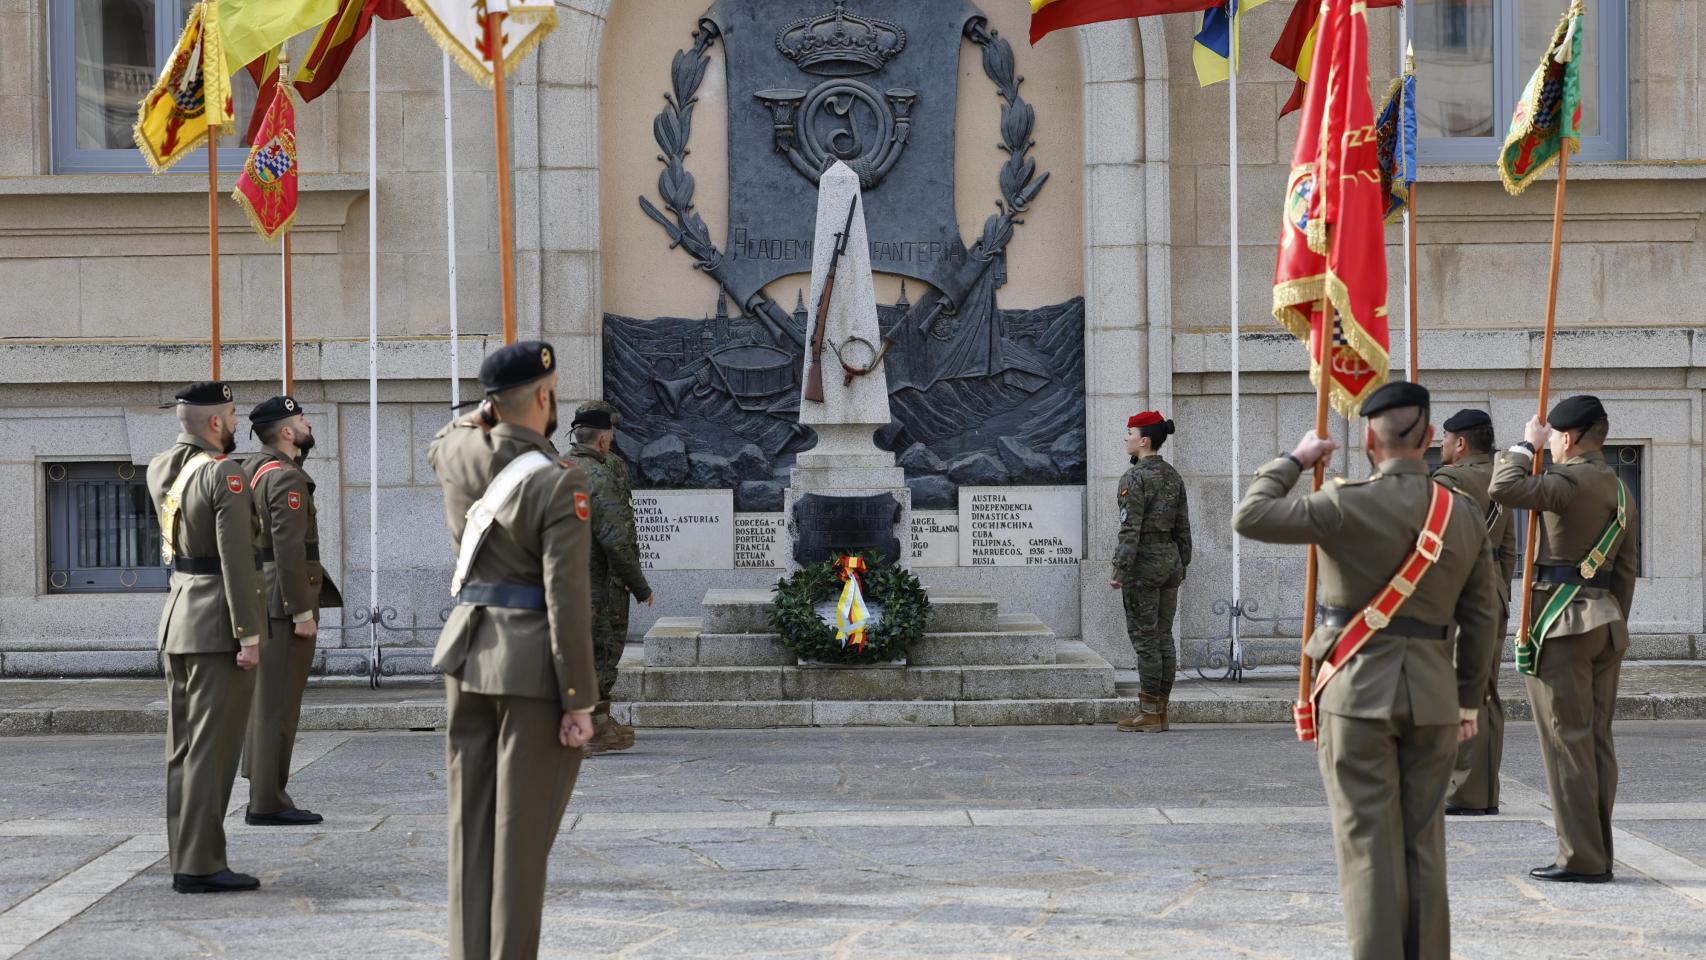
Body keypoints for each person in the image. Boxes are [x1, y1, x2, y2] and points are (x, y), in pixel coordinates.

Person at [1232, 381, 1500, 960]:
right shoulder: (1461, 513)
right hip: (1433, 698)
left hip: (1355, 695)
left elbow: (1250, 515)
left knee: (1368, 846)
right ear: (1430, 438)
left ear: (1368, 442)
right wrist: (1467, 700)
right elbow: (1483, 616)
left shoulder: (1343, 502)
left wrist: (1295, 459)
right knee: (1423, 843)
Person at [427, 340, 597, 959]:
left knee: (469, 831)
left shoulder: (457, 453)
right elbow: (566, 598)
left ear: (490, 403)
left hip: (466, 653)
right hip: (529, 669)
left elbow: (444, 436)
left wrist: (487, 412)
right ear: (545, 396)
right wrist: (579, 700)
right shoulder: (559, 480)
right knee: (519, 842)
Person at [1489, 394, 1638, 884]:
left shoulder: (1567, 481)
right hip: (1605, 623)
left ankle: (1581, 858)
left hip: (1562, 627)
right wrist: (1613, 620)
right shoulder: (1620, 489)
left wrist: (1522, 446)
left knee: (1566, 742)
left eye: (1552, 436)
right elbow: (1626, 572)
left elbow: (1502, 487)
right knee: (1596, 740)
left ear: (1569, 438)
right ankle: (1599, 850)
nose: (1548, 443)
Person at [145, 380, 266, 894]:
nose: (237, 423)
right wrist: (249, 633)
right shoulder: (224, 473)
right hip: (218, 625)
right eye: (233, 415)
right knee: (212, 754)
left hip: (179, 617)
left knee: (184, 750)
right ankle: (201, 866)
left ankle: (186, 857)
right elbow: (236, 559)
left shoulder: (160, 466)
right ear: (215, 422)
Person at [241, 395, 339, 826]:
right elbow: (289, 550)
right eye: (301, 419)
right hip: (283, 606)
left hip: (262, 597)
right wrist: (302, 612)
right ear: (285, 431)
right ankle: (267, 801)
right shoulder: (285, 478)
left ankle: (262, 788)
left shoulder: (253, 468)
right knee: (277, 706)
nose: (308, 423)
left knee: (265, 702)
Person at [1433, 408, 1519, 817]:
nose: (1442, 445)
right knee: (1486, 693)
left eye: (1446, 439)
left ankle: (1464, 791)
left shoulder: (1448, 482)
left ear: (1461, 443)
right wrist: (1499, 592)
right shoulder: (1502, 480)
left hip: (1456, 598)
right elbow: (1509, 551)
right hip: (1493, 596)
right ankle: (1485, 791)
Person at [562, 402, 653, 754]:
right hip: (592, 584)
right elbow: (615, 538)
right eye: (610, 435)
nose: (612, 440)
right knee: (598, 651)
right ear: (602, 440)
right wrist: (639, 584)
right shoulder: (597, 476)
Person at [1110, 411, 1191, 733]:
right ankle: (1161, 710)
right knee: (1163, 637)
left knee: (1145, 640)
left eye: (1130, 433)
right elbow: (1183, 526)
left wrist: (1120, 568)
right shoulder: (1173, 476)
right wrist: (1182, 563)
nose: (1125, 438)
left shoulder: (1134, 478)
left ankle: (1148, 713)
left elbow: (1130, 528)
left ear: (1144, 441)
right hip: (1170, 562)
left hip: (1143, 565)